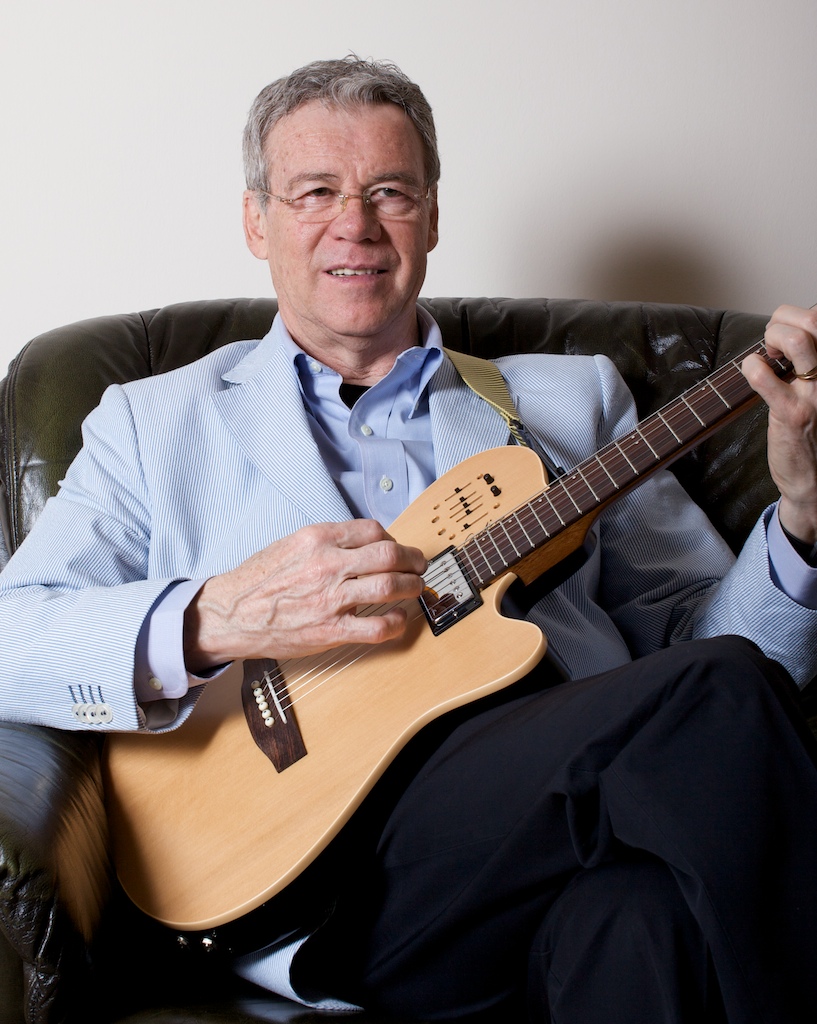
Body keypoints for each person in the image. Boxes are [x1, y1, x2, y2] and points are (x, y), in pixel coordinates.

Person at [1, 55, 817, 1023]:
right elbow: (11, 638)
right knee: (714, 697)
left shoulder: (571, 400)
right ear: (257, 220)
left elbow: (728, 660)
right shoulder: (152, 422)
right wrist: (216, 617)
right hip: (321, 881)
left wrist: (802, 517)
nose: (355, 223)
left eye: (389, 191)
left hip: (558, 835)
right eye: (315, 192)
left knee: (644, 915)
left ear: (430, 216)